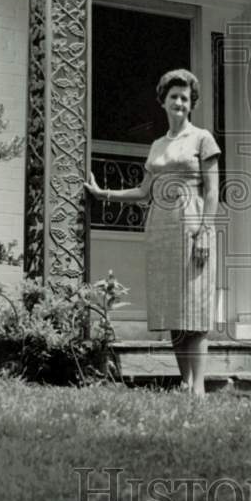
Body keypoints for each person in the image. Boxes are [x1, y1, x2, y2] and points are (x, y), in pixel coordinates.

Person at [84, 69, 220, 397]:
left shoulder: (202, 138)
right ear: (163, 101)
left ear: (192, 104)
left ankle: (198, 388)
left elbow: (213, 191)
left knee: (196, 308)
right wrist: (105, 194)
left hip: (192, 226)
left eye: (185, 98)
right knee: (173, 308)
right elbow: (144, 190)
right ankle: (184, 381)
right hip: (161, 228)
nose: (179, 102)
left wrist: (204, 232)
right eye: (173, 96)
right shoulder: (157, 144)